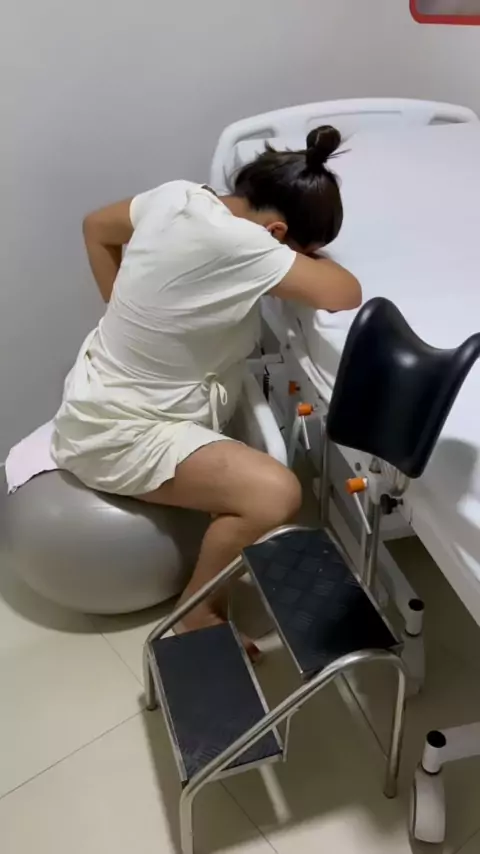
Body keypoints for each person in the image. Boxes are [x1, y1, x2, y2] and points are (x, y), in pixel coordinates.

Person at [52, 125, 361, 659]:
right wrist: (313, 262)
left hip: (97, 392)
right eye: (302, 252)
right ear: (277, 231)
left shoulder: (177, 196)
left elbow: (95, 227)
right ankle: (197, 612)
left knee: (261, 484)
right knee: (276, 495)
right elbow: (345, 293)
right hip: (120, 435)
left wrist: (124, 311)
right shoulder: (245, 245)